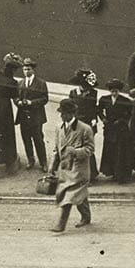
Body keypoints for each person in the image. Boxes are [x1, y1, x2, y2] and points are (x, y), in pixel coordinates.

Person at [50, 98, 94, 234]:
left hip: (79, 170)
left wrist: (75, 152)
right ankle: (86, 216)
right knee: (78, 195)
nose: (62, 116)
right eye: (61, 113)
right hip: (65, 169)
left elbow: (90, 149)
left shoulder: (85, 129)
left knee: (69, 196)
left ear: (71, 114)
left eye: (64, 113)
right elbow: (56, 149)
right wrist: (52, 165)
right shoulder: (58, 128)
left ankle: (61, 224)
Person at [15, 57, 49, 171]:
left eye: (28, 69)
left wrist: (32, 102)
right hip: (23, 116)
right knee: (26, 139)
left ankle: (43, 162)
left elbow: (45, 99)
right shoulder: (20, 83)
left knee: (38, 139)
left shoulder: (41, 83)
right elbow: (15, 96)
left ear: (33, 70)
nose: (26, 72)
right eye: (24, 69)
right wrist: (18, 102)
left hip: (36, 117)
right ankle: (30, 160)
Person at [98, 78, 133, 182]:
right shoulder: (104, 99)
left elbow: (129, 114)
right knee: (110, 150)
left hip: (121, 129)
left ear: (119, 91)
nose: (114, 93)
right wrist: (103, 119)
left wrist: (121, 120)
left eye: (116, 91)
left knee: (120, 151)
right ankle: (111, 171)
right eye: (112, 91)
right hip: (109, 128)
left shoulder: (125, 101)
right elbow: (99, 110)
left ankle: (120, 174)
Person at [68, 68, 100, 179]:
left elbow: (93, 109)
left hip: (88, 124)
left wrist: (94, 120)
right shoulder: (73, 93)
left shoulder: (93, 93)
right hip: (76, 124)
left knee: (88, 149)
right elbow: (70, 109)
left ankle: (91, 174)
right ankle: (78, 174)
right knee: (76, 149)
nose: (85, 88)